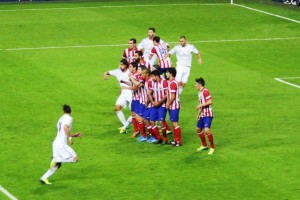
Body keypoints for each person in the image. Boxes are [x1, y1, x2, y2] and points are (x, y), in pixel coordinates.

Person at [40, 105, 82, 185]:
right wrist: (70, 138)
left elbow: (63, 131)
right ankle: (56, 159)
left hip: (55, 143)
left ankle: (44, 178)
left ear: (63, 111)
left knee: (57, 165)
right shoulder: (69, 118)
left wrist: (74, 135)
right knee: (75, 159)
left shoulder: (60, 119)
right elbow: (65, 128)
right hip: (61, 144)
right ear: (70, 111)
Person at [104, 59, 132, 133]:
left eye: (122, 64)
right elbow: (107, 72)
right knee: (117, 108)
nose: (120, 66)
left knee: (134, 112)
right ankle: (125, 125)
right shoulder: (117, 71)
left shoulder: (130, 72)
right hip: (123, 93)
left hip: (132, 92)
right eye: (120, 64)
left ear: (126, 66)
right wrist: (105, 75)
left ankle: (135, 127)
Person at [148, 69, 169, 144]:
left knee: (161, 121)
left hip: (162, 105)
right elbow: (149, 93)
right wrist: (152, 102)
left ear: (157, 76)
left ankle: (165, 139)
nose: (151, 78)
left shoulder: (164, 82)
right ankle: (158, 138)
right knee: (152, 121)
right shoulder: (153, 83)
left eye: (152, 76)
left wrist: (159, 102)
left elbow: (167, 95)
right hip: (155, 105)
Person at [195, 78, 215, 155]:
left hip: (208, 114)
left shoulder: (205, 91)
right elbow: (202, 104)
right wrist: (199, 113)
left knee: (207, 130)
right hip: (203, 114)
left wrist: (200, 105)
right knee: (198, 129)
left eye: (196, 84)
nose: (195, 86)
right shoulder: (199, 93)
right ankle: (204, 145)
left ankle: (212, 147)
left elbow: (210, 101)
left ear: (200, 84)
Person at [165, 67, 182, 147]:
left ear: (171, 73)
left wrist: (168, 103)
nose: (166, 74)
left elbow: (172, 96)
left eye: (167, 72)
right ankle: (175, 140)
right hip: (172, 106)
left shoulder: (173, 83)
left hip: (174, 106)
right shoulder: (170, 82)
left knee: (175, 123)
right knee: (173, 122)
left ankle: (179, 141)